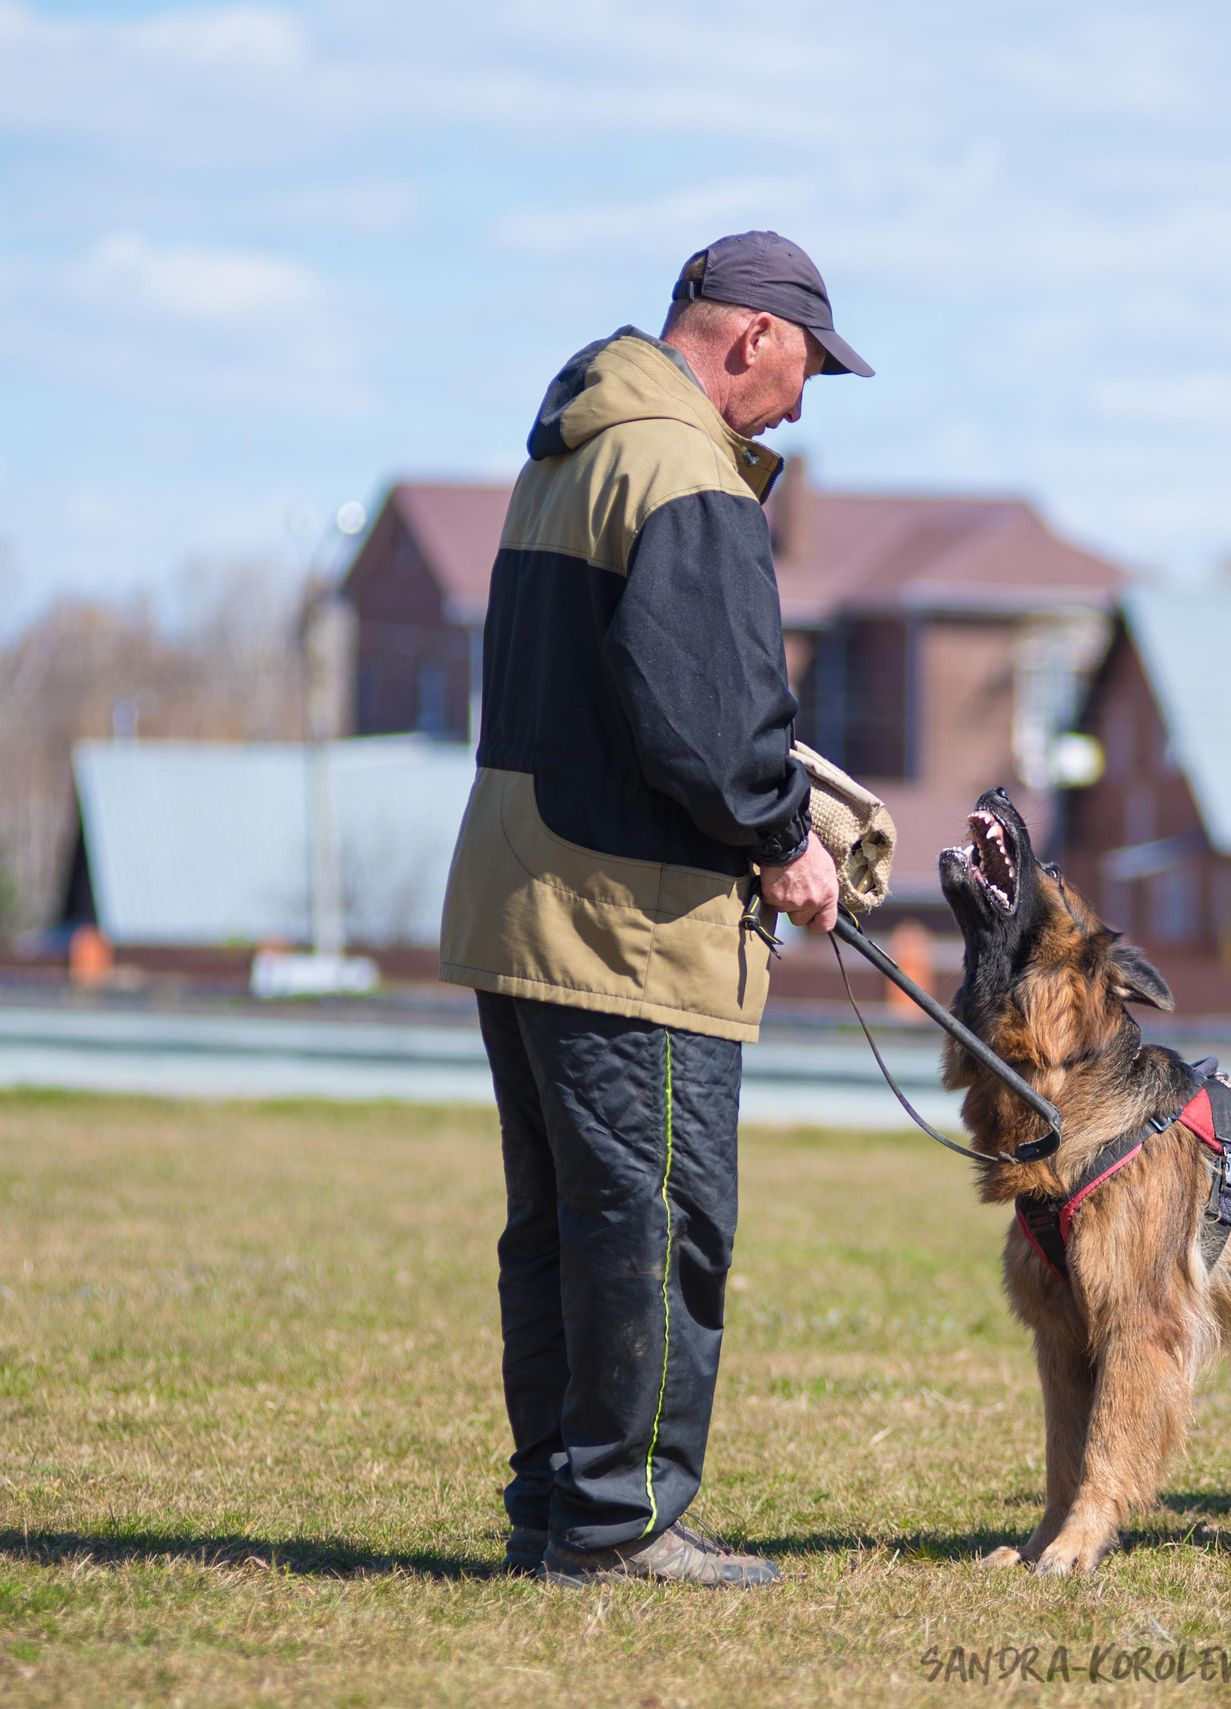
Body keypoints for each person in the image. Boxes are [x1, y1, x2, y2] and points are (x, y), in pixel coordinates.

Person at [437, 231, 867, 1587]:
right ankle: (621, 1525)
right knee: (658, 1221)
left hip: (525, 893)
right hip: (628, 923)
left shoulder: (570, 450)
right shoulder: (683, 470)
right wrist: (792, 840)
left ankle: (558, 1508)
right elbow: (710, 719)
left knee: (567, 1225)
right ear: (750, 337)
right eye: (804, 369)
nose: (801, 404)